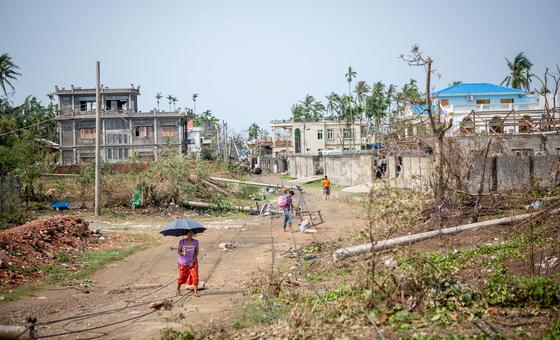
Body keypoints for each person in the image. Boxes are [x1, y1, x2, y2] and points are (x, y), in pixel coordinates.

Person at [177, 230, 199, 297]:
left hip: (193, 262)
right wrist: (183, 253)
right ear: (186, 233)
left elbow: (196, 252)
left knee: (195, 276)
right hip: (183, 262)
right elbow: (178, 251)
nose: (190, 234)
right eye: (189, 232)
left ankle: (195, 292)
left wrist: (192, 262)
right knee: (181, 277)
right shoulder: (182, 241)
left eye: (192, 232)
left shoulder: (196, 242)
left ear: (193, 233)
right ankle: (178, 289)